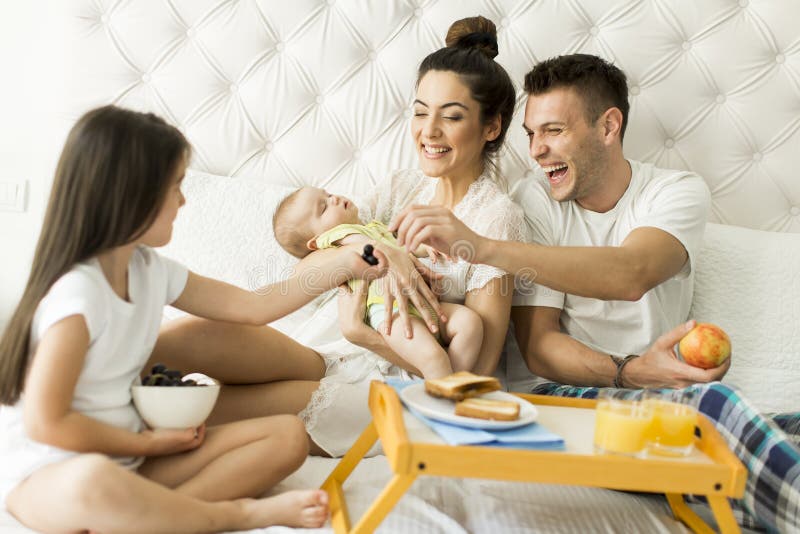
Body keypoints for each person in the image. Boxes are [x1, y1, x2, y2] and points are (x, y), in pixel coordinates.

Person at [391, 53, 800, 532]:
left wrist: (483, 247)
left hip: (656, 398)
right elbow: (539, 348)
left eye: (554, 131)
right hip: (554, 398)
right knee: (714, 410)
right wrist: (628, 372)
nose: (536, 150)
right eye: (531, 134)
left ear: (608, 126)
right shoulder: (535, 201)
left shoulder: (675, 191)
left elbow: (632, 273)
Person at [150, 15, 525, 458]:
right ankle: (100, 385)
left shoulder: (497, 219)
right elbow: (311, 262)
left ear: (491, 127)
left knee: (207, 410)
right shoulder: (401, 187)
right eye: (421, 112)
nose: (429, 131)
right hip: (328, 349)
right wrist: (377, 251)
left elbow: (478, 373)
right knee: (194, 335)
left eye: (452, 116)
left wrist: (363, 334)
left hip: (395, 383)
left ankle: (120, 429)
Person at [0, 106, 387, 532]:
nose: (183, 201)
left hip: (130, 463)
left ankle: (150, 518)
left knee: (287, 437)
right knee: (93, 480)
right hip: (50, 477)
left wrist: (345, 264)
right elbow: (46, 424)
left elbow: (251, 306)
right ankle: (234, 515)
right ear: (134, 196)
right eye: (175, 186)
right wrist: (146, 441)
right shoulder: (78, 296)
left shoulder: (151, 271)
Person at [272, 186, 483, 378]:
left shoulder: (374, 227)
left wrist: (425, 246)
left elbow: (402, 247)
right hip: (390, 312)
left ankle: (453, 384)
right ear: (316, 242)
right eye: (324, 208)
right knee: (433, 357)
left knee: (470, 323)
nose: (333, 199)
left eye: (328, 194)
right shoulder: (337, 238)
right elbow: (367, 247)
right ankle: (448, 391)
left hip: (424, 303)